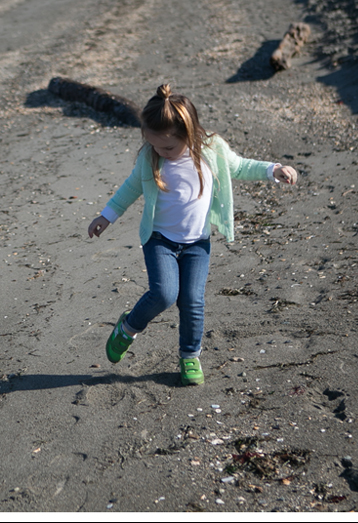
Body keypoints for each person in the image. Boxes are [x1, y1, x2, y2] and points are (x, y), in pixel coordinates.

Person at [86, 84, 299, 385]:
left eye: (167, 148)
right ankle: (128, 328)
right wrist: (107, 215)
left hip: (197, 243)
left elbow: (240, 167)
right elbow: (131, 187)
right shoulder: (151, 157)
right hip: (159, 240)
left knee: (192, 301)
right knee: (163, 294)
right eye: (153, 145)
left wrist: (273, 170)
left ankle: (189, 356)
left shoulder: (212, 150)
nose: (160, 152)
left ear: (188, 133)